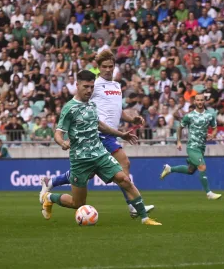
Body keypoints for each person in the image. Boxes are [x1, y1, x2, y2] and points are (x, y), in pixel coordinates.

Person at [39, 50, 154, 218]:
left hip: (110, 134)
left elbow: (117, 110)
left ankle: (51, 182)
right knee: (125, 163)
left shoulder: (115, 85)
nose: (108, 70)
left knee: (91, 174)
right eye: (104, 67)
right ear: (98, 68)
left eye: (111, 66)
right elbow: (79, 106)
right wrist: (68, 137)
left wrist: (131, 119)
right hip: (100, 135)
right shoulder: (94, 84)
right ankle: (132, 206)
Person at [160, 93, 222, 200]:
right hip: (192, 146)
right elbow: (180, 128)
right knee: (202, 166)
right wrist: (178, 142)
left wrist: (213, 134)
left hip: (201, 147)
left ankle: (169, 169)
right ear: (194, 102)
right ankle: (209, 193)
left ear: (204, 101)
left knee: (190, 170)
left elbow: (215, 127)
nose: (200, 102)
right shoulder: (189, 116)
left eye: (202, 100)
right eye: (198, 100)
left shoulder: (209, 115)